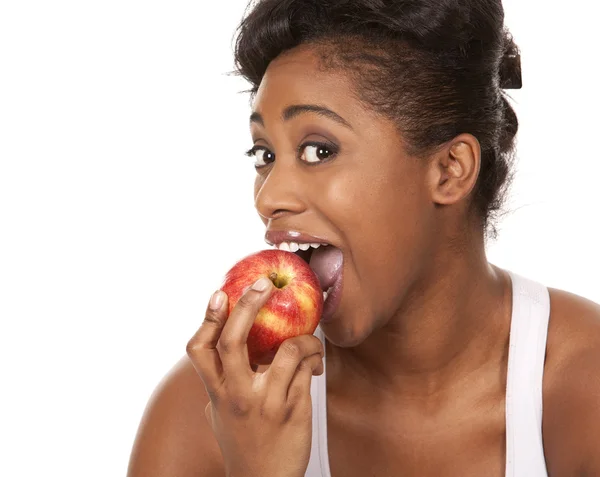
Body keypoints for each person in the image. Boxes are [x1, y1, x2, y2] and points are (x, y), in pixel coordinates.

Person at [127, 0, 600, 476]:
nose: (268, 197)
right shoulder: (210, 414)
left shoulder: (583, 382)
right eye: (264, 153)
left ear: (449, 170)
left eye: (318, 150)